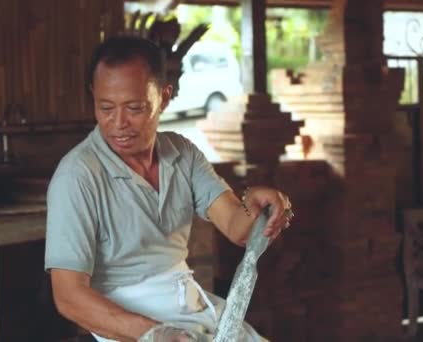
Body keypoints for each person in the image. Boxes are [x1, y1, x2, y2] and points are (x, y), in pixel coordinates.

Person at [44, 36, 293, 342]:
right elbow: (69, 296)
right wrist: (155, 334)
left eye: (134, 108)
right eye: (106, 107)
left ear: (164, 97)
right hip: (124, 323)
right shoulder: (77, 176)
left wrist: (258, 206)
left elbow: (237, 227)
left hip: (190, 304)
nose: (118, 123)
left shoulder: (181, 153)